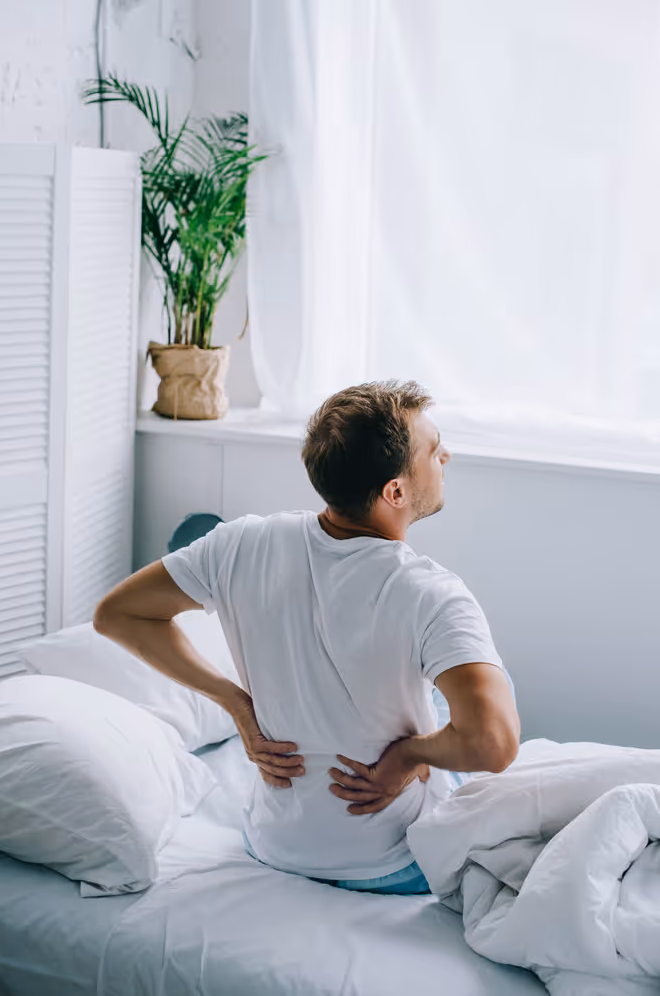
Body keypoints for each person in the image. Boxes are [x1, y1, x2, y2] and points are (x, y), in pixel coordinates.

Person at [94, 380, 520, 895]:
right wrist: (409, 756)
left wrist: (237, 704)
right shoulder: (432, 594)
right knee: (466, 702)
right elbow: (495, 745)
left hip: (274, 843)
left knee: (441, 695)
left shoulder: (239, 544)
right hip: (391, 862)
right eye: (434, 451)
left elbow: (118, 614)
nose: (445, 455)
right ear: (396, 492)